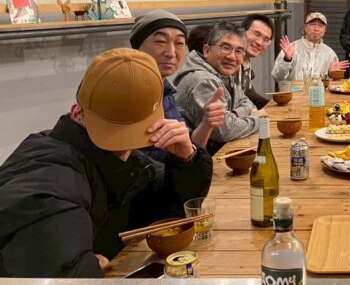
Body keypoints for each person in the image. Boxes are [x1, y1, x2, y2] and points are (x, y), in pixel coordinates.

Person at [0, 49, 213, 277]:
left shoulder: (115, 157)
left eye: (134, 133)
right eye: (115, 133)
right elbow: (55, 273)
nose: (125, 145)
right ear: (77, 112)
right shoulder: (48, 179)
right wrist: (85, 268)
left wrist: (186, 159)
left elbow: (166, 210)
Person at [129, 10, 225, 160]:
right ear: (137, 48)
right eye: (160, 42)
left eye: (179, 43)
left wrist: (207, 123)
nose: (171, 53)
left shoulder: (166, 91)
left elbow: (187, 147)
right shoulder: (127, 94)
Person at [174, 21, 267, 154]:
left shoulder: (224, 73)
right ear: (207, 50)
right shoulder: (203, 81)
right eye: (225, 48)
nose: (232, 57)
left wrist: (234, 115)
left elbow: (246, 102)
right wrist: (259, 120)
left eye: (239, 51)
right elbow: (225, 131)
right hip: (203, 160)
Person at [271, 12, 349, 81]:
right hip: (295, 92)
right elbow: (277, 77)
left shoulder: (330, 54)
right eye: (313, 24)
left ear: (325, 30)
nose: (316, 29)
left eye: (320, 25)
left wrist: (332, 74)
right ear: (305, 27)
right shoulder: (291, 48)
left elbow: (334, 85)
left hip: (320, 93)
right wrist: (287, 60)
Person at [237, 14, 274, 109]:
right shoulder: (229, 63)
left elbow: (248, 93)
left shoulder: (246, 61)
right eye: (257, 34)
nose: (259, 43)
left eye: (266, 39)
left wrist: (271, 106)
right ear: (241, 32)